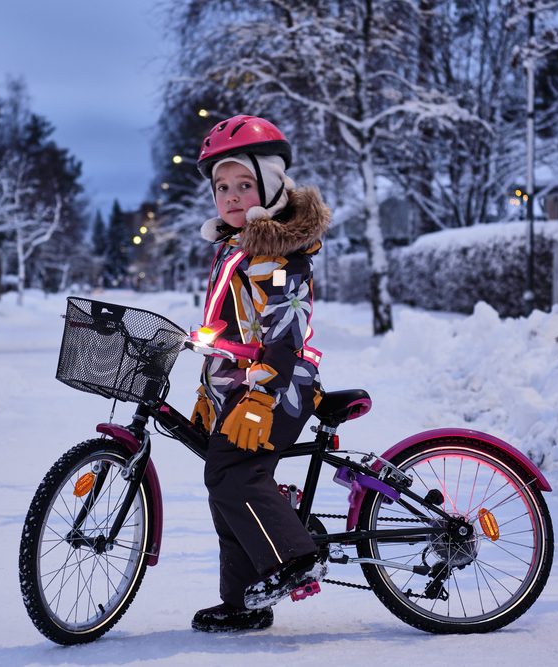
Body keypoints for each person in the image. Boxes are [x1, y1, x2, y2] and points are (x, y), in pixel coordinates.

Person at [189, 115, 331, 633]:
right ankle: (245, 600)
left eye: (243, 184)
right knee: (222, 479)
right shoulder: (236, 246)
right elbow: (231, 329)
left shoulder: (278, 255)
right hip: (244, 384)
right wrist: (213, 386)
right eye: (221, 186)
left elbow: (285, 333)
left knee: (232, 473)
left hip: (282, 384)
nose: (229, 195)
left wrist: (260, 396)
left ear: (270, 186)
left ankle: (293, 559)